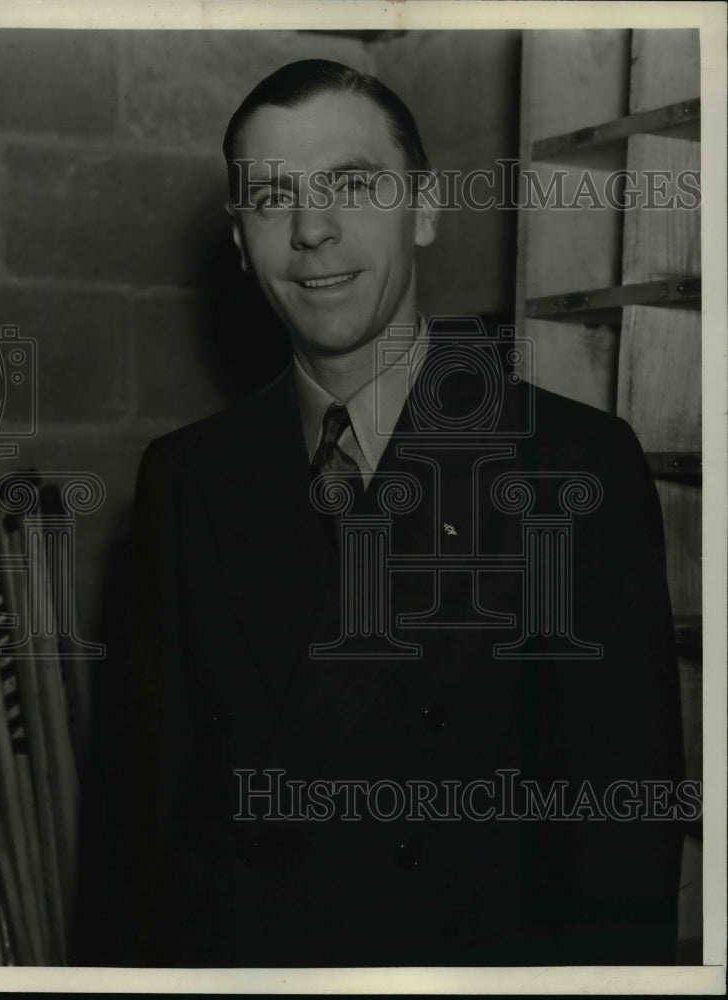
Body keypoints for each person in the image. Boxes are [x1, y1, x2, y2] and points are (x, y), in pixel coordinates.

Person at [126, 60, 686, 967]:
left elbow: (620, 848)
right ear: (239, 241)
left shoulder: (574, 464)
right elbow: (153, 839)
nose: (311, 231)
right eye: (271, 199)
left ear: (423, 209)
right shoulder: (186, 479)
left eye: (351, 184)